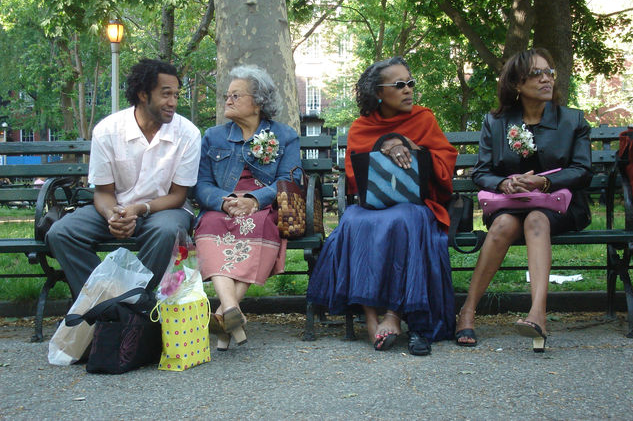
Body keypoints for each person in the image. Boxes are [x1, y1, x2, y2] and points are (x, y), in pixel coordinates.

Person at [306, 56, 457, 356]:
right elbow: (353, 177)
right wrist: (383, 146)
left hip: (417, 204)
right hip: (372, 205)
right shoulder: (362, 127)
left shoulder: (424, 119)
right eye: (398, 85)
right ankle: (371, 318)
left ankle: (393, 315)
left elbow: (444, 165)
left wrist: (407, 144)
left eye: (410, 83)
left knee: (403, 219)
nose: (408, 90)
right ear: (378, 92)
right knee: (352, 221)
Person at [455, 48, 592, 352]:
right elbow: (482, 171)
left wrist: (545, 181)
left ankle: (537, 314)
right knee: (503, 224)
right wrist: (504, 182)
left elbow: (583, 171)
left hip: (561, 206)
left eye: (549, 73)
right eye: (537, 74)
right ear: (517, 84)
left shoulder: (572, 120)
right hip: (509, 205)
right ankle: (467, 311)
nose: (546, 79)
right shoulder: (497, 122)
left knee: (536, 219)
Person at [47, 59, 201, 297]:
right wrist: (112, 216)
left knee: (167, 232)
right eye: (166, 94)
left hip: (163, 209)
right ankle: (104, 302)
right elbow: (103, 192)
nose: (173, 102)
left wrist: (139, 209)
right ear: (142, 94)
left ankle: (132, 306)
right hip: (116, 209)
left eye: (176, 95)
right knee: (61, 233)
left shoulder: (187, 134)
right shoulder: (108, 130)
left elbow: (178, 195)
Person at [194, 64, 301, 350]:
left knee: (256, 223)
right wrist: (224, 201)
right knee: (209, 224)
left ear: (258, 102)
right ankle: (231, 310)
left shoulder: (284, 135)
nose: (227, 101)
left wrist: (254, 200)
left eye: (235, 96)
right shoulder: (213, 137)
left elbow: (290, 180)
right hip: (223, 206)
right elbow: (202, 184)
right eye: (227, 96)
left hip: (262, 206)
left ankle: (223, 312)